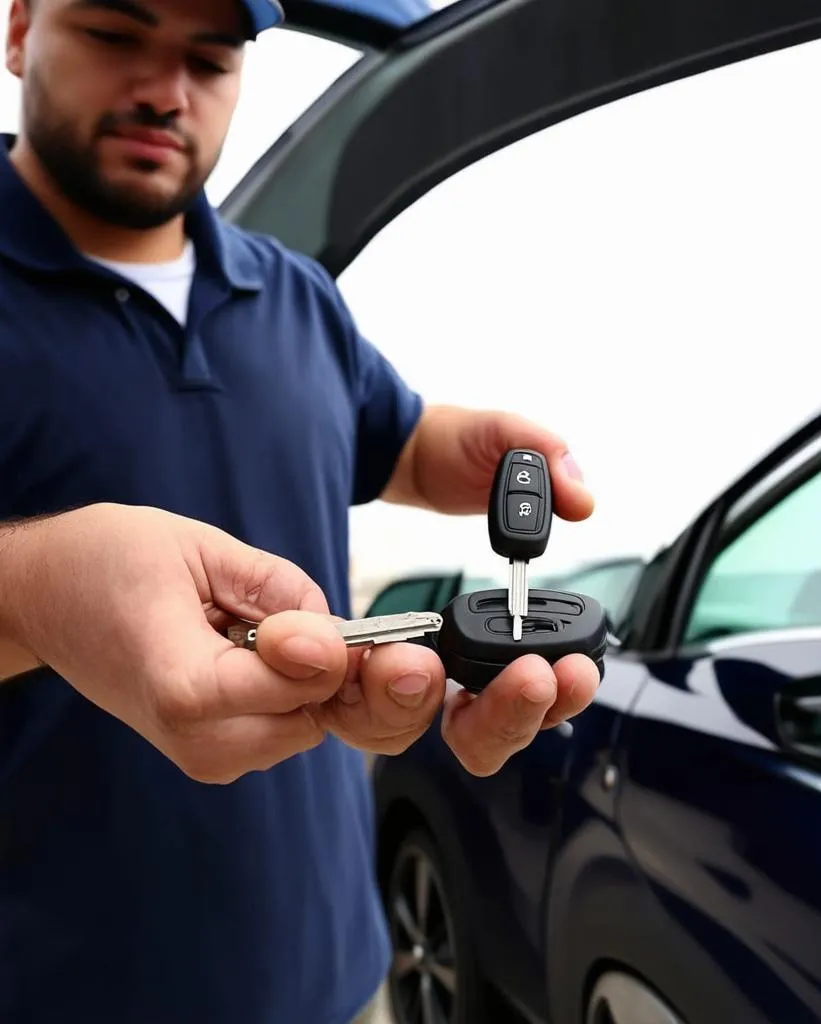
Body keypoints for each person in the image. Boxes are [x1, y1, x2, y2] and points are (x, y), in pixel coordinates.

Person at [0, 1, 601, 1022]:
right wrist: (36, 593)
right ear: (18, 27)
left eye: (208, 56)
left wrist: (444, 447)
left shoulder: (296, 295)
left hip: (334, 973)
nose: (164, 90)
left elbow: (388, 439)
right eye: (114, 32)